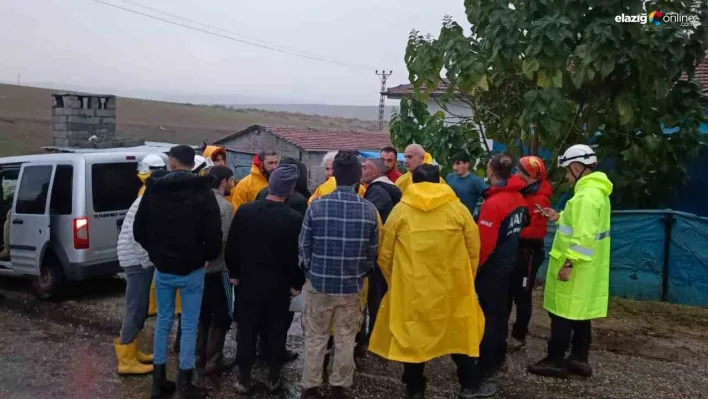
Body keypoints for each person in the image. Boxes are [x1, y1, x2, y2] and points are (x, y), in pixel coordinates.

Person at [370, 164, 494, 398]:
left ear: (413, 182)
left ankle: (415, 388)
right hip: (453, 287)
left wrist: (394, 281)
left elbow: (385, 254)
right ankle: (469, 384)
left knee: (412, 337)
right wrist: (468, 277)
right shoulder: (457, 209)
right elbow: (473, 248)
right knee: (459, 332)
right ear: (439, 182)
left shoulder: (401, 211)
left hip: (412, 287)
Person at [133, 145, 223, 399]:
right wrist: (206, 257)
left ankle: (158, 381)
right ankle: (184, 384)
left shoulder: (154, 190)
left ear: (172, 162)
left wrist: (157, 254)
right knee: (190, 324)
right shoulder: (203, 192)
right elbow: (214, 235)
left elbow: (139, 231)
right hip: (193, 269)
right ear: (191, 163)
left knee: (163, 322)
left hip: (163, 268)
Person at [299, 150, 380, 399]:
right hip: (351, 286)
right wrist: (359, 272)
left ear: (334, 175)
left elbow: (304, 247)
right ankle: (339, 387)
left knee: (316, 336)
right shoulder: (369, 210)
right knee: (346, 339)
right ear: (358, 178)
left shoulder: (316, 206)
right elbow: (372, 253)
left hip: (320, 284)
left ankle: (310, 387)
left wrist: (312, 270)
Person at [528, 144, 612, 378]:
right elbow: (583, 223)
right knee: (580, 314)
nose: (566, 176)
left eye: (567, 170)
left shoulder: (586, 196)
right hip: (588, 268)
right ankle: (578, 358)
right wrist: (559, 216)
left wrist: (569, 264)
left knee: (562, 315)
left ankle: (555, 361)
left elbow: (583, 235)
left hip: (575, 267)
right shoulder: (597, 193)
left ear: (577, 167)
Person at [227, 163, 306, 395]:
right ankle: (273, 378)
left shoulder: (245, 211)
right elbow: (296, 256)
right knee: (275, 332)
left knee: (247, 331)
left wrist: (234, 274)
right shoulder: (293, 218)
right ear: (289, 190)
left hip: (248, 284)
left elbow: (233, 247)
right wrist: (297, 283)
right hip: (278, 288)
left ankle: (243, 379)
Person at [476, 153, 528, 381]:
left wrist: (474, 267)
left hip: (492, 267)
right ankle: (498, 358)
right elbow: (523, 224)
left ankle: (486, 364)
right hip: (509, 263)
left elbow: (484, 244)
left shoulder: (494, 203)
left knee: (489, 317)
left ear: (491, 172)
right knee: (499, 314)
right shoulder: (518, 197)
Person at [114, 169, 169, 377]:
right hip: (137, 262)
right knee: (135, 307)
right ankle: (126, 359)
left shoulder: (149, 198)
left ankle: (133, 351)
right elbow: (138, 238)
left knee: (140, 306)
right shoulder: (148, 202)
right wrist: (149, 261)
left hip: (138, 260)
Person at [194, 166, 237, 388]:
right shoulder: (225, 207)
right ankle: (214, 360)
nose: (232, 185)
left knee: (200, 315)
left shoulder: (194, 201)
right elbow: (227, 242)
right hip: (218, 269)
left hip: (195, 271)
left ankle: (198, 358)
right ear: (223, 182)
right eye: (231, 181)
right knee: (222, 315)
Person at [507, 156, 553, 352]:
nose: (516, 174)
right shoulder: (522, 192)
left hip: (529, 252)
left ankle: (519, 335)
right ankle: (504, 333)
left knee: (523, 295)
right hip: (516, 249)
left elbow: (537, 231)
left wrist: (511, 230)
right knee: (507, 292)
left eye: (520, 171)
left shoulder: (538, 198)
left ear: (530, 176)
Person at [360, 157, 402, 345]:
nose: (362, 170)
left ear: (376, 172)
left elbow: (370, 224)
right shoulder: (387, 189)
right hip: (385, 251)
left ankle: (375, 338)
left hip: (377, 253)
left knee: (374, 297)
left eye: (366, 167)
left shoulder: (377, 191)